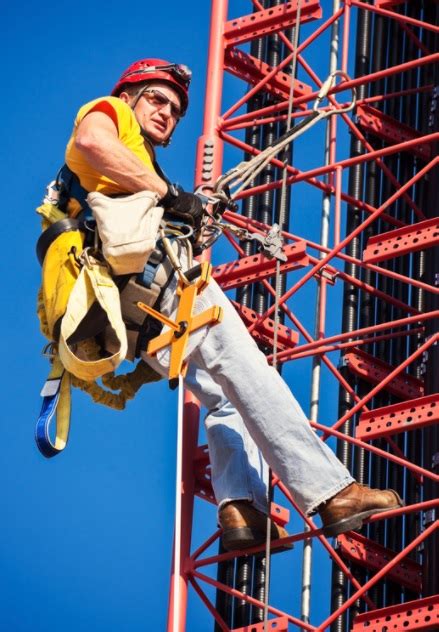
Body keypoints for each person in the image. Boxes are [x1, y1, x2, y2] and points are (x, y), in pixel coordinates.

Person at [61, 58, 403, 550]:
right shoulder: (108, 111)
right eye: (156, 99)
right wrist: (170, 195)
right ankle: (332, 493)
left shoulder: (126, 168)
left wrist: (178, 205)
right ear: (130, 96)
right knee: (250, 373)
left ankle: (241, 508)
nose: (166, 113)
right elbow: (92, 141)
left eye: (175, 110)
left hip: (133, 316)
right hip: (163, 291)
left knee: (223, 395)